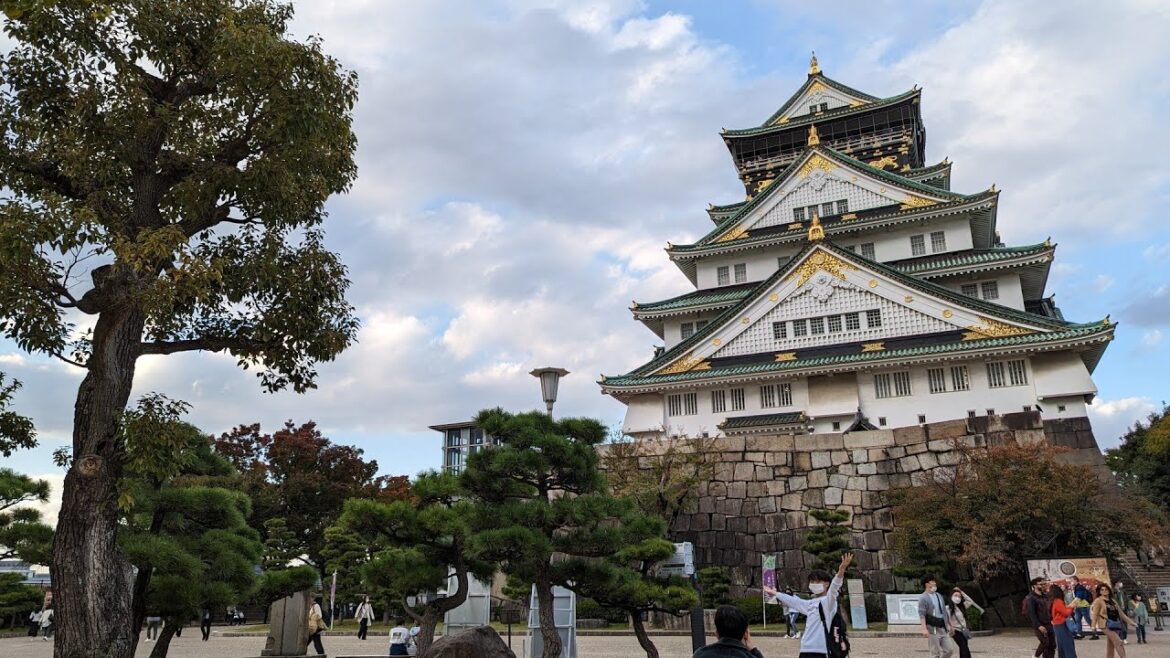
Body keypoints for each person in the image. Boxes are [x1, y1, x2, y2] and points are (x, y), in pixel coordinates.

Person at [763, 552, 853, 658]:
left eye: (817, 581)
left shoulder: (829, 602)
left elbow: (834, 588)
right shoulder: (810, 603)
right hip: (805, 648)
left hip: (820, 650)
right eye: (812, 581)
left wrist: (841, 570)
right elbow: (794, 602)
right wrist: (776, 593)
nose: (813, 584)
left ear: (826, 584)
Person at [692, 605, 763, 658]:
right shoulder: (748, 656)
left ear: (717, 633)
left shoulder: (700, 654)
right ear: (746, 634)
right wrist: (753, 649)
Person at [916, 575, 955, 658]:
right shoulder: (923, 598)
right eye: (932, 582)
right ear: (926, 584)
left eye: (934, 582)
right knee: (935, 653)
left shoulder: (938, 595)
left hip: (942, 626)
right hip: (932, 628)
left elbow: (945, 611)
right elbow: (922, 614)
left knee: (949, 650)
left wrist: (951, 625)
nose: (934, 584)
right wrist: (924, 629)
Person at [1090, 583, 1133, 658]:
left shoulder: (1112, 600)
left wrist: (1130, 622)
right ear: (1099, 591)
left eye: (1106, 589)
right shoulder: (1098, 600)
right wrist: (1093, 626)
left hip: (1115, 623)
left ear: (1109, 590)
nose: (1104, 591)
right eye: (1102, 590)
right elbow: (1095, 614)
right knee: (1118, 642)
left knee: (1111, 644)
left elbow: (1121, 613)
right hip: (1105, 624)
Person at [946, 587, 982, 658]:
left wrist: (961, 592)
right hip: (955, 631)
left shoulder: (961, 607)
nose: (957, 598)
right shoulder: (948, 608)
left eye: (959, 596)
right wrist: (950, 628)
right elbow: (946, 619)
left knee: (963, 648)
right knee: (964, 647)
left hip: (963, 630)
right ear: (951, 596)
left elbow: (970, 601)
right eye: (955, 595)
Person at [1026, 577, 1056, 658]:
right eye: (1041, 584)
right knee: (1045, 643)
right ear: (1034, 586)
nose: (1043, 586)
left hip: (1049, 623)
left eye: (1044, 584)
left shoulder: (1045, 596)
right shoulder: (1031, 598)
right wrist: (1038, 625)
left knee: (1052, 645)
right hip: (1040, 624)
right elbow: (1032, 613)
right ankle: (1036, 656)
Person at [1050, 584, 1078, 658]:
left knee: (1062, 647)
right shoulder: (1058, 601)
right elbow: (1065, 612)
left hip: (1057, 625)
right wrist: (1072, 607)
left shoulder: (1053, 601)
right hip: (1061, 625)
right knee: (1068, 645)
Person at [1070, 576, 1096, 640]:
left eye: (1072, 580)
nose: (1071, 582)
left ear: (1076, 580)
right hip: (1078, 606)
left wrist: (1070, 605)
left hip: (1084, 606)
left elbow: (1078, 597)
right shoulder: (1076, 587)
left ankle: (1095, 634)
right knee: (1078, 620)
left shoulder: (1079, 587)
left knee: (1088, 620)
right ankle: (1079, 634)